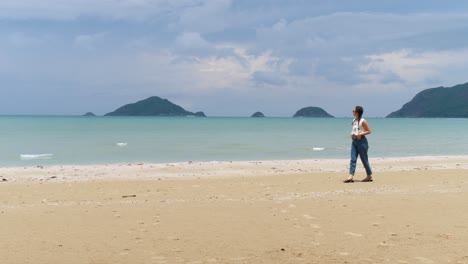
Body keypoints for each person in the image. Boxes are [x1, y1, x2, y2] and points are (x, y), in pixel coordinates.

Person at [344, 106, 373, 183]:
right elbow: (354, 129)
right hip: (354, 141)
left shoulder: (363, 121)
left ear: (357, 112)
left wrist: (360, 134)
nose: (352, 111)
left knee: (364, 160)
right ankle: (351, 176)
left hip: (362, 142)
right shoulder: (354, 120)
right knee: (353, 159)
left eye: (353, 110)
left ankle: (369, 175)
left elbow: (369, 131)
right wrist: (352, 134)